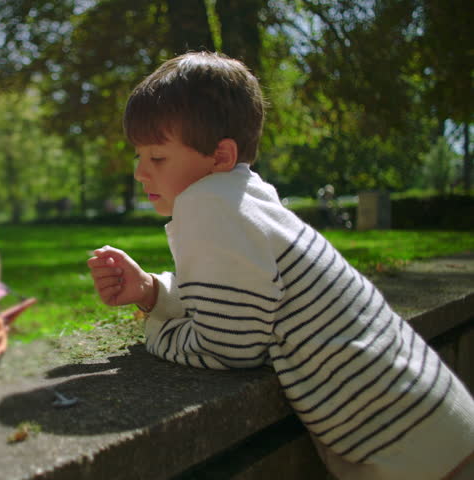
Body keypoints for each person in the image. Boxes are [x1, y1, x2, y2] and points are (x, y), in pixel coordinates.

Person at [87, 51, 474, 480]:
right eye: (139, 156)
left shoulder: (206, 204)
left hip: (405, 448)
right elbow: (242, 300)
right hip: (430, 417)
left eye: (157, 157)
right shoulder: (247, 196)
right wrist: (152, 292)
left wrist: (156, 331)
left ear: (220, 156)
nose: (141, 173)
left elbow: (228, 347)